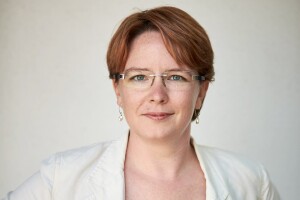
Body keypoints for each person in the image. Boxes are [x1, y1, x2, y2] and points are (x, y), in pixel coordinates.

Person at [2, 6, 279, 200]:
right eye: (138, 77)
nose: (157, 94)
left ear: (202, 90)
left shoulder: (252, 182)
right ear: (118, 90)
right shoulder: (59, 180)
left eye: (176, 77)